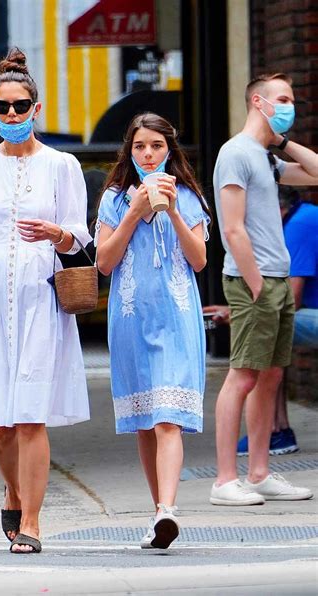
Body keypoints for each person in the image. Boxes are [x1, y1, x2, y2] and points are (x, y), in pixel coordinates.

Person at [0, 48, 91, 554]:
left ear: (36, 107)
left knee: (30, 415)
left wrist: (57, 232)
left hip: (40, 295)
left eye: (21, 105)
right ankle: (12, 488)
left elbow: (80, 235)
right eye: (3, 107)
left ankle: (31, 520)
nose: (13, 114)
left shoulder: (62, 164)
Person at [95, 113, 211, 549]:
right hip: (130, 317)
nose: (148, 154)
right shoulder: (113, 199)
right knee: (145, 420)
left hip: (176, 316)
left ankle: (167, 509)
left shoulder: (188, 195)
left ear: (170, 150)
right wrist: (135, 213)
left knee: (167, 419)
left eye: (157, 146)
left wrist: (174, 212)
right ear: (130, 151)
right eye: (141, 146)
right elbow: (104, 263)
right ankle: (157, 511)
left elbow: (199, 260)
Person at [211, 72, 318, 506]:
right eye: (284, 99)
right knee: (243, 375)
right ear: (259, 101)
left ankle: (258, 472)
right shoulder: (234, 154)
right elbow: (232, 229)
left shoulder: (264, 157)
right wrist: (255, 284)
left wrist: (281, 142)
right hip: (253, 279)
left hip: (275, 277)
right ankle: (224, 480)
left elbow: (315, 172)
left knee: (271, 376)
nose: (290, 106)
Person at [206, 187, 318, 456]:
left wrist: (239, 311)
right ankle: (277, 429)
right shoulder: (306, 215)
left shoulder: (299, 224)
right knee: (267, 323)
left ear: (275, 208)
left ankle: (274, 431)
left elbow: (292, 295)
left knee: (265, 324)